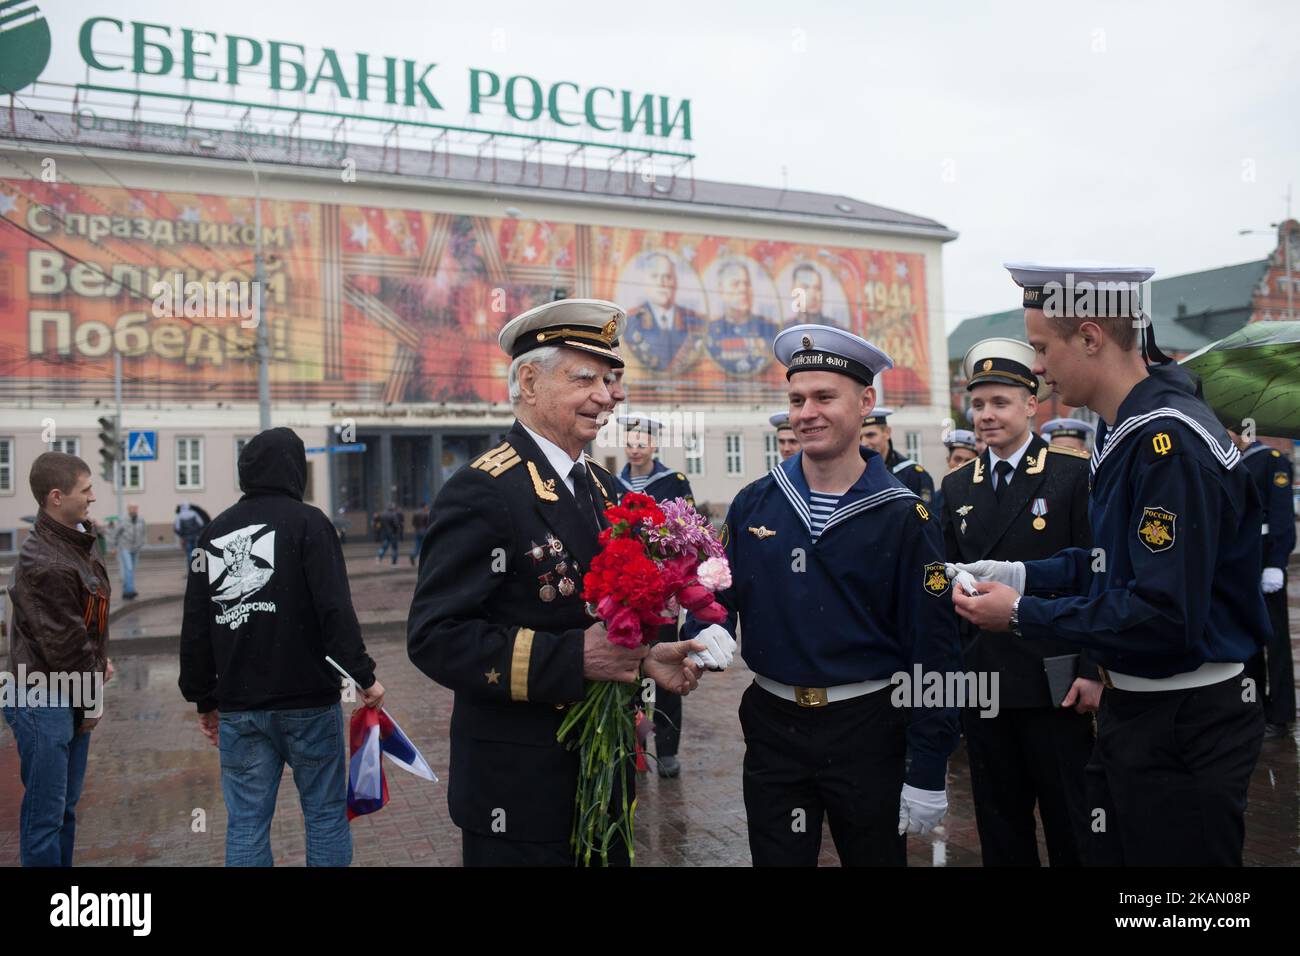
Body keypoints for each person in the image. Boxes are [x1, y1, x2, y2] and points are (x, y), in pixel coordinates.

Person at [952, 262, 1269, 866]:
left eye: (1043, 348)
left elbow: (1159, 612)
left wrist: (1023, 614)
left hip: (1183, 720)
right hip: (1146, 710)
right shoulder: (1129, 429)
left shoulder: (1167, 443)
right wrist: (1021, 575)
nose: (1037, 367)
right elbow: (1110, 563)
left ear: (1091, 336)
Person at [406, 298, 709, 866]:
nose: (609, 394)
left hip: (607, 776)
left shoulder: (605, 489)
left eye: (612, 379)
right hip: (518, 790)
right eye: (586, 379)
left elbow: (600, 621)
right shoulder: (483, 490)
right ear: (528, 381)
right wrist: (573, 659)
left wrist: (644, 656)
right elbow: (435, 636)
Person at [685, 323, 962, 866]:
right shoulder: (755, 503)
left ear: (865, 402)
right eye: (796, 399)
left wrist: (928, 765)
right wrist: (705, 627)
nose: (806, 411)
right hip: (773, 724)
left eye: (823, 397)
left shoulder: (905, 514)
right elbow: (717, 588)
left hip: (869, 728)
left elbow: (936, 646)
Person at [179, 427, 384, 867]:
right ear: (294, 469)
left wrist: (203, 699)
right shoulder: (310, 523)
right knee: (325, 815)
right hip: (308, 701)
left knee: (246, 822)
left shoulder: (212, 533)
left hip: (240, 707)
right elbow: (335, 611)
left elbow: (196, 626)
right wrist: (363, 676)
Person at [941, 337, 1100, 866]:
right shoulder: (957, 485)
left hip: (1054, 677)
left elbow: (1096, 576)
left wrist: (1092, 669)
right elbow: (939, 575)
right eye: (978, 403)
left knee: (1071, 820)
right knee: (999, 821)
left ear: (1031, 404)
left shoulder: (1072, 474)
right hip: (984, 679)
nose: (986, 415)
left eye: (1000, 402)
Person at [3, 452, 113, 866]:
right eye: (85, 490)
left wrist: (101, 659)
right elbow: (65, 647)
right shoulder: (46, 561)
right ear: (55, 497)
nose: (93, 497)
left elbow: (89, 616)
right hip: (43, 699)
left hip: (65, 691)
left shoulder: (76, 541)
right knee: (46, 818)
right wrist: (91, 704)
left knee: (64, 809)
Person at [617, 414, 697, 778]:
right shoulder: (611, 483)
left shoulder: (673, 482)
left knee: (664, 667)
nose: (635, 448)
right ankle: (637, 748)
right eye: (630, 441)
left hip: (663, 593)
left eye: (642, 441)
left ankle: (666, 750)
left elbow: (689, 533)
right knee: (629, 670)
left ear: (654, 445)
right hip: (624, 592)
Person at [1230, 429, 1296, 737]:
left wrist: (1276, 562)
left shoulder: (1271, 460)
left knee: (1276, 640)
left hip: (1266, 556)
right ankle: (1254, 707)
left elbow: (1282, 515)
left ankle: (1280, 714)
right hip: (1242, 560)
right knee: (1248, 639)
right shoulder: (1232, 462)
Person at [625, 252, 706, 372]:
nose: (661, 283)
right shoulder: (629, 322)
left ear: (676, 282)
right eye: (654, 276)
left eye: (667, 277)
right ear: (644, 282)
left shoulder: (696, 321)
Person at [705, 260, 780, 376]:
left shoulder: (771, 329)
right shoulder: (709, 332)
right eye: (736, 284)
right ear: (721, 291)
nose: (743, 289)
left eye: (747, 284)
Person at [860, 407, 935, 503]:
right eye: (860, 438)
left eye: (870, 435)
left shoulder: (913, 474)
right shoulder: (858, 473)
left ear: (887, 432)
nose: (864, 443)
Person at [931, 429, 979, 517]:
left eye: (968, 461)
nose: (961, 465)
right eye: (957, 459)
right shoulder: (936, 499)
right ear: (948, 461)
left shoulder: (982, 496)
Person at [110, 503, 147, 600]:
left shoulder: (141, 520)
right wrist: (113, 547)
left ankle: (125, 591)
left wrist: (142, 543)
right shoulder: (123, 520)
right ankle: (131, 591)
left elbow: (144, 532)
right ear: (128, 509)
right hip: (125, 547)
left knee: (131, 570)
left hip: (136, 548)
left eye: (135, 508)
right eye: (132, 508)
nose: (134, 510)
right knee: (129, 568)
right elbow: (116, 534)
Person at [174, 501, 205, 571]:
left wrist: (181, 536)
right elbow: (201, 524)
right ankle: (198, 570)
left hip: (186, 538)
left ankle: (191, 571)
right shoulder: (194, 514)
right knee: (197, 552)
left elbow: (177, 528)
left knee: (189, 554)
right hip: (195, 537)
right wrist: (198, 532)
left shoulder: (179, 516)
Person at [410, 501, 431, 567]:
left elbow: (413, 523)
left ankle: (413, 555)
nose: (427, 507)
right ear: (424, 506)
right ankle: (424, 561)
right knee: (424, 547)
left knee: (417, 545)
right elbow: (428, 523)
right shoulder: (426, 514)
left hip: (417, 531)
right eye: (427, 506)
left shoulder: (416, 513)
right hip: (424, 531)